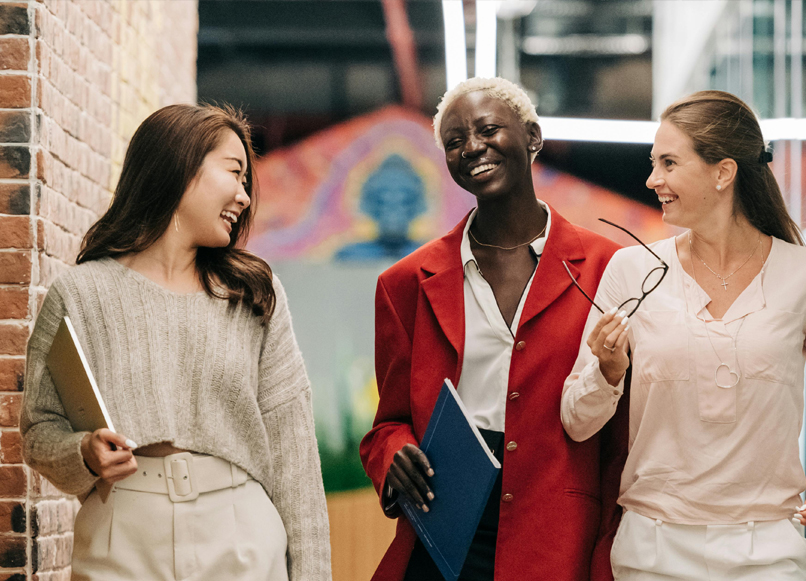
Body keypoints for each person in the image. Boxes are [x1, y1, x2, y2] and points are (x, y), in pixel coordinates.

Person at [561, 90, 806, 580]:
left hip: (769, 551)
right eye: (652, 162)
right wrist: (607, 370)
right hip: (651, 550)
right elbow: (576, 420)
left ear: (722, 172)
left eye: (668, 162)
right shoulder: (632, 269)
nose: (651, 179)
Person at [21, 104, 332, 581]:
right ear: (180, 165)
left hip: (241, 535)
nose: (245, 197)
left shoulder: (252, 294)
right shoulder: (81, 294)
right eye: (235, 173)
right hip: (120, 535)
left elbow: (296, 460)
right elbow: (39, 431)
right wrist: (83, 451)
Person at [359, 77, 627, 581]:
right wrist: (393, 454)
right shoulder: (406, 283)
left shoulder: (608, 267)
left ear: (532, 136)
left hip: (557, 532)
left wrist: (608, 550)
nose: (472, 148)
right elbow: (387, 424)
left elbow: (620, 439)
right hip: (445, 524)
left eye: (487, 129)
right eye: (455, 142)